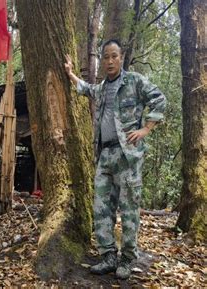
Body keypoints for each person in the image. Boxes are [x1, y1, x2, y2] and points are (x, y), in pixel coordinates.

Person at [64, 39, 166, 279]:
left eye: (114, 56)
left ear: (121, 57)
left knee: (129, 209)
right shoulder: (101, 88)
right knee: (101, 208)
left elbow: (159, 98)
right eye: (106, 57)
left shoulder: (134, 82)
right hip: (105, 155)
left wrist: (145, 129)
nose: (109, 61)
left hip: (128, 155)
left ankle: (128, 259)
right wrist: (70, 74)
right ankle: (108, 255)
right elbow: (85, 88)